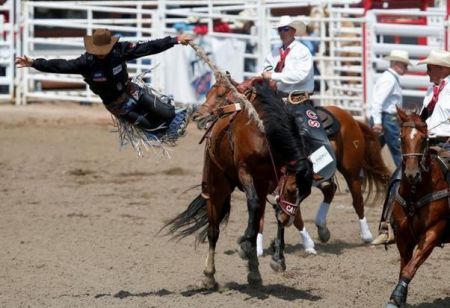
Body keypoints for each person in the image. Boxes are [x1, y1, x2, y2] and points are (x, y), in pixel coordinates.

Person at [15, 28, 193, 143]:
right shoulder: (86, 62)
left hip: (131, 90)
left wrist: (174, 40)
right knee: (156, 127)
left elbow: (148, 47)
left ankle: (176, 120)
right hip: (117, 104)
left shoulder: (120, 50)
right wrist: (34, 63)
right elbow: (60, 65)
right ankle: (164, 132)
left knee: (168, 113)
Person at [259, 15, 335, 256]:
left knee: (311, 133)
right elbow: (267, 68)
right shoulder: (275, 51)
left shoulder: (302, 51)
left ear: (293, 31)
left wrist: (273, 77)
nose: (282, 33)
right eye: (280, 29)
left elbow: (297, 76)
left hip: (299, 101)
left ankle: (320, 170)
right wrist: (268, 75)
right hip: (279, 102)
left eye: (286, 29)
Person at [371, 49, 450, 246]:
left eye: (429, 67)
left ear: (442, 68)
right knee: (399, 175)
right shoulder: (432, 90)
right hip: (426, 143)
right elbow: (424, 117)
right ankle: (386, 226)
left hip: (447, 142)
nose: (427, 72)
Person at [369, 50, 411, 169]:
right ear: (397, 64)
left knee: (373, 150)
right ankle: (403, 176)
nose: (406, 68)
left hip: (386, 118)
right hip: (387, 119)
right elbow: (377, 101)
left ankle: (363, 176)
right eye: (405, 65)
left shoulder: (389, 78)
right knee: (398, 149)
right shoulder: (389, 79)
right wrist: (377, 122)